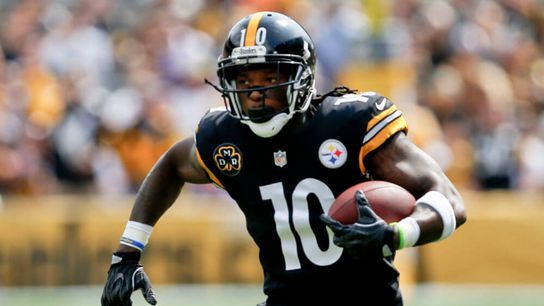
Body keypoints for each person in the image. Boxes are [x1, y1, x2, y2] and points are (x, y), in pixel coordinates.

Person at [100, 11, 466, 306]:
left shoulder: (350, 123)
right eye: (244, 82)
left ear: (302, 77)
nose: (255, 93)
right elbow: (171, 165)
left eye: (268, 78)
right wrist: (127, 253)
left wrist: (395, 234)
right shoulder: (224, 137)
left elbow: (449, 202)